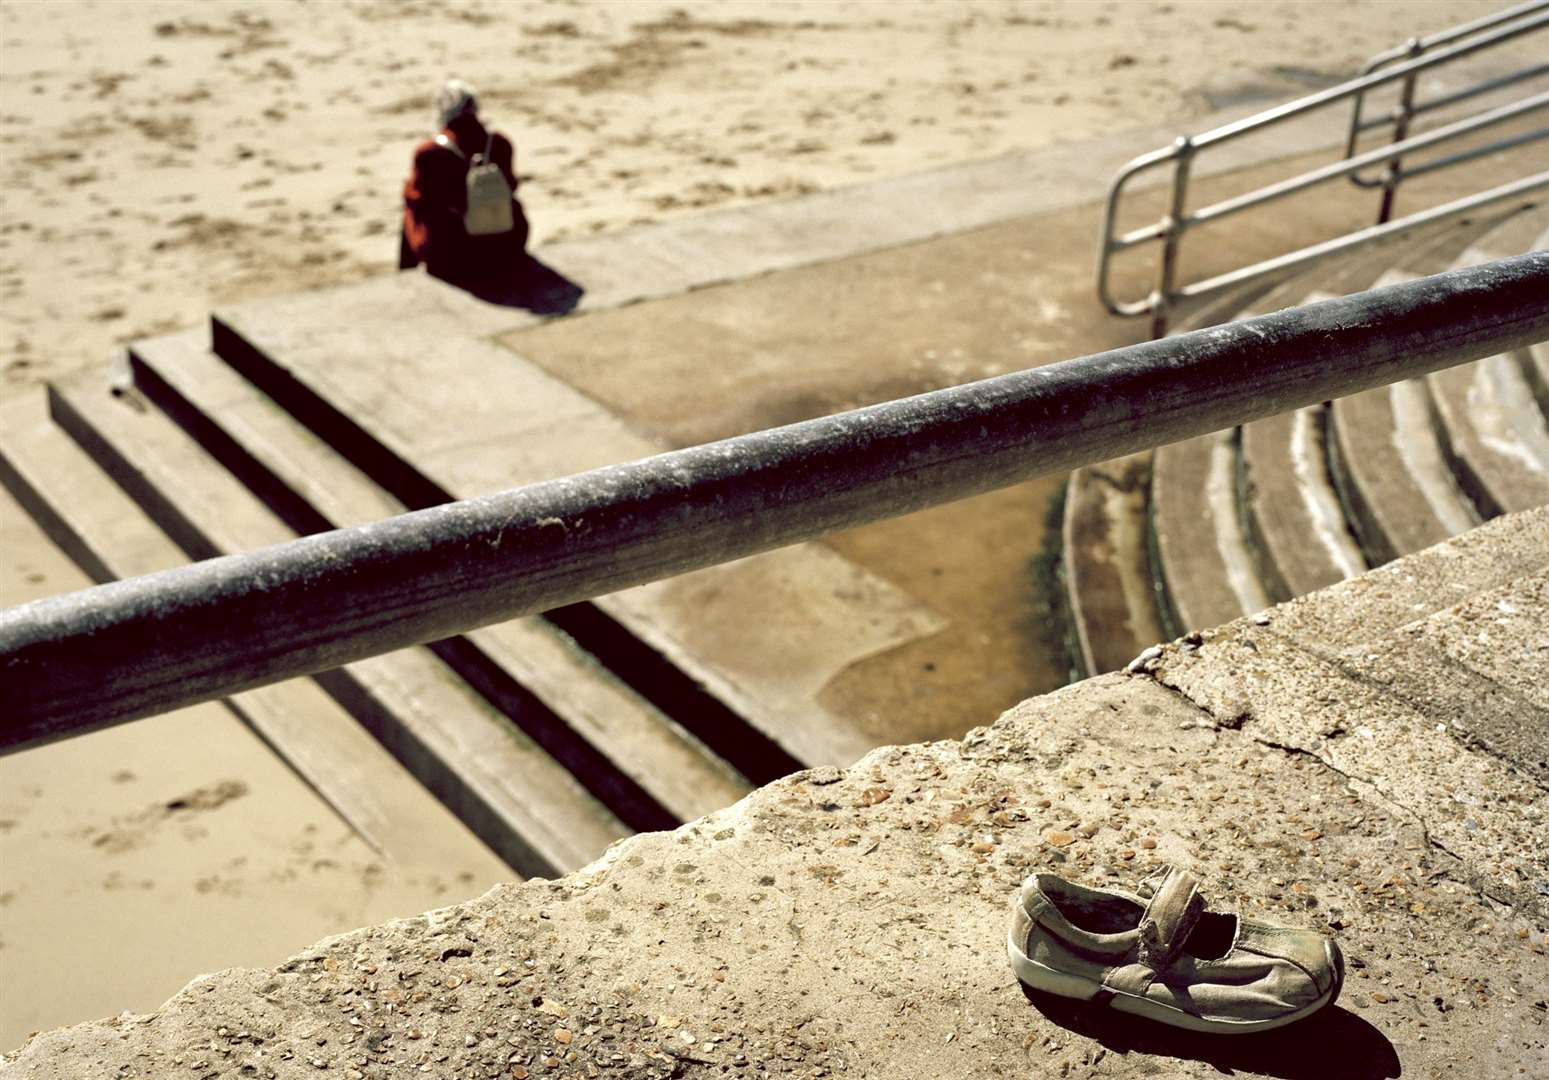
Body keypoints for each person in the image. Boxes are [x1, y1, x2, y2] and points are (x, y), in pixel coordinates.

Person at [401, 79, 529, 287]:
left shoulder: (429, 153)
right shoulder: (499, 143)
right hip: (507, 244)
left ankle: (406, 276)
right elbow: (511, 186)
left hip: (453, 254)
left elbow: (417, 198)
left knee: (412, 206)